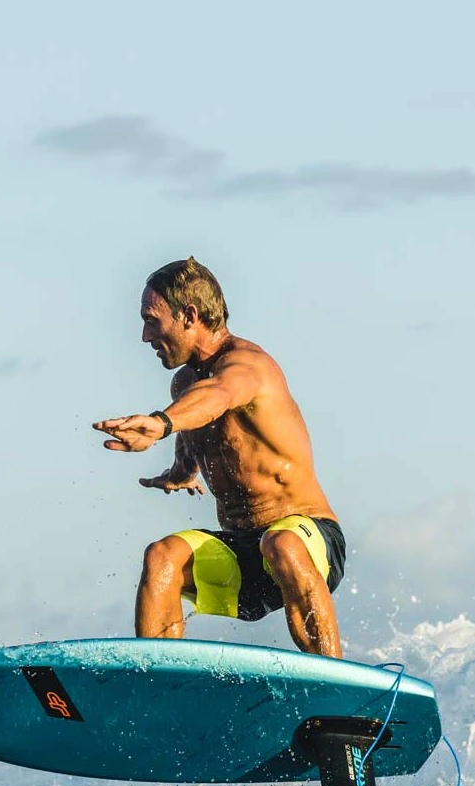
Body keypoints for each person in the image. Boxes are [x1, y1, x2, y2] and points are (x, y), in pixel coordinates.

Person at [93, 258, 347, 658]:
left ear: (190, 315)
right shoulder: (184, 384)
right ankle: (157, 680)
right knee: (162, 556)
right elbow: (199, 431)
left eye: (151, 321)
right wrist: (179, 472)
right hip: (245, 556)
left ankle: (333, 677)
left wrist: (160, 423)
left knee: (281, 543)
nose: (144, 336)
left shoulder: (248, 366)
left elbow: (218, 396)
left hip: (307, 544)